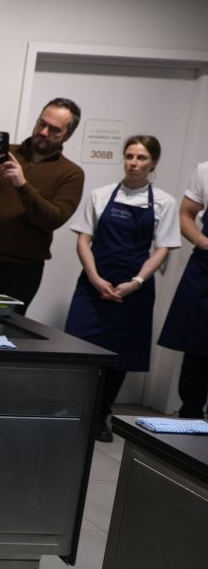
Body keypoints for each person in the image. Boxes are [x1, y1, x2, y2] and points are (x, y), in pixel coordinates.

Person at [63, 136, 179, 442]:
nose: (134, 163)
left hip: (134, 291)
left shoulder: (164, 203)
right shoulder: (100, 195)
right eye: (129, 156)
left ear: (153, 162)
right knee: (78, 348)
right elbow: (83, 240)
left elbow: (163, 249)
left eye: (141, 158)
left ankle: (101, 414)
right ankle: (71, 411)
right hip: (93, 285)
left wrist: (136, 283)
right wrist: (95, 277)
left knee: (119, 357)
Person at [0, 98, 85, 312]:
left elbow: (54, 218)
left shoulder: (71, 173)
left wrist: (22, 184)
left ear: (68, 135)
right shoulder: (3, 153)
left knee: (3, 334)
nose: (43, 132)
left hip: (21, 270)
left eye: (54, 130)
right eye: (41, 123)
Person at [157, 157, 208, 419]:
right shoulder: (205, 169)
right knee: (198, 348)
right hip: (206, 268)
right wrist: (201, 240)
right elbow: (186, 214)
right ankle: (190, 418)